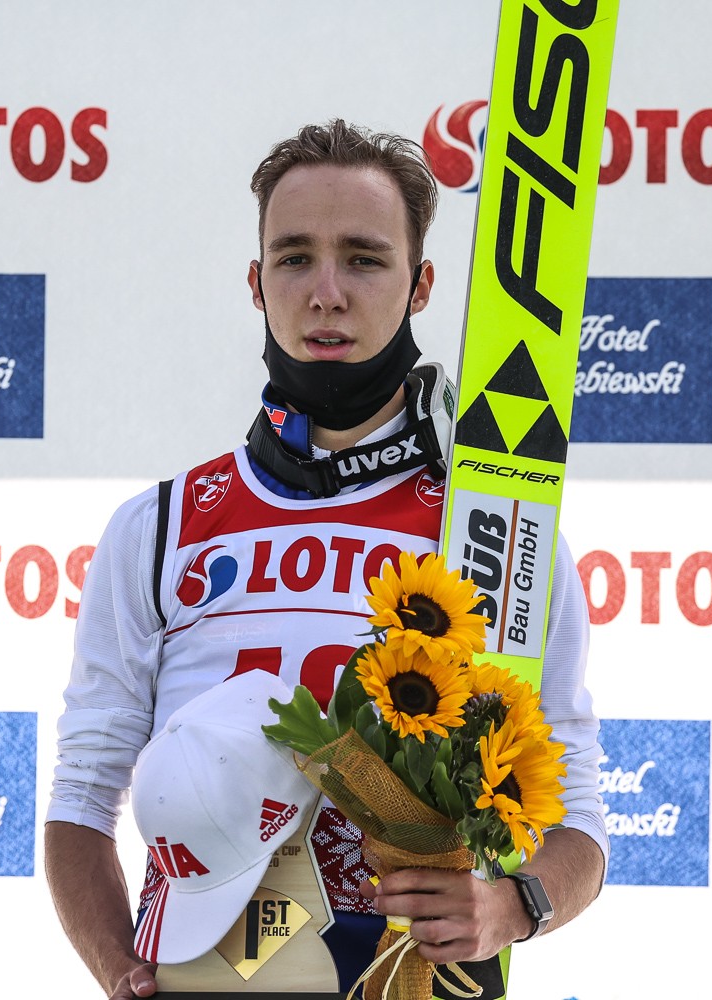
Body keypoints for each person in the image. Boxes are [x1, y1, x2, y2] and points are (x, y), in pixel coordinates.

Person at [45, 119, 607, 1000]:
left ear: (421, 285)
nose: (327, 293)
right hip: (214, 971)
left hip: (416, 979)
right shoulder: (160, 527)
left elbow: (576, 818)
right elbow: (82, 796)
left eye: (364, 259)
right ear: (256, 283)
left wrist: (514, 905)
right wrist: (119, 969)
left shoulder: (494, 533)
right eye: (296, 258)